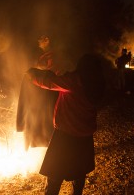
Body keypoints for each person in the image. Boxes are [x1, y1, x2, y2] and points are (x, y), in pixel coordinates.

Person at [26, 53, 106, 195]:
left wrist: (32, 74)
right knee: (79, 173)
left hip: (65, 136)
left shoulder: (76, 81)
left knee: (55, 174)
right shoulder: (97, 84)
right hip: (85, 137)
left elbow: (49, 82)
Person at [16, 34, 60, 150]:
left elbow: (52, 73)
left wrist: (34, 74)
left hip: (47, 92)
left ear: (47, 40)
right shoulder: (43, 55)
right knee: (31, 115)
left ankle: (47, 145)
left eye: (41, 38)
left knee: (44, 118)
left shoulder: (53, 56)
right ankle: (29, 143)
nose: (38, 40)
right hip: (38, 89)